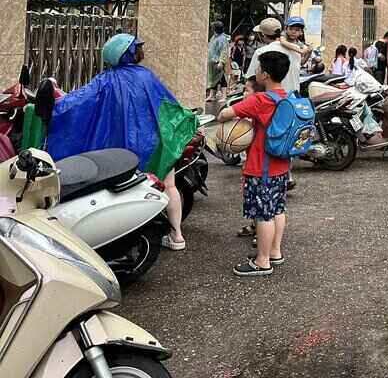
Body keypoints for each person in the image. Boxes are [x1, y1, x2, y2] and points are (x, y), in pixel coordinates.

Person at [47, 34, 197, 252]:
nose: (141, 51)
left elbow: (75, 103)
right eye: (137, 48)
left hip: (120, 150)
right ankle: (177, 236)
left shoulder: (104, 80)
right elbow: (169, 106)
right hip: (155, 145)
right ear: (129, 53)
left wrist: (52, 101)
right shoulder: (147, 77)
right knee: (170, 186)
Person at [216, 50, 292, 277]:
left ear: (265, 75)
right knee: (277, 209)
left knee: (262, 215)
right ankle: (275, 252)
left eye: (258, 69)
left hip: (261, 167)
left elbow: (224, 114)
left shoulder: (260, 100)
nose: (256, 72)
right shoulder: (286, 96)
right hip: (281, 166)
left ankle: (262, 261)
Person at [246, 18, 300, 94]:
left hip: (272, 99)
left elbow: (252, 79)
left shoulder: (261, 52)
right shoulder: (296, 49)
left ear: (263, 35)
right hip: (293, 99)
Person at [206, 21, 230, 101]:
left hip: (218, 61)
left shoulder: (222, 38)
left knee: (222, 78)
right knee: (213, 79)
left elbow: (224, 51)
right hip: (212, 61)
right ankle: (212, 95)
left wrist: (221, 62)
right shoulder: (214, 37)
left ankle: (224, 96)